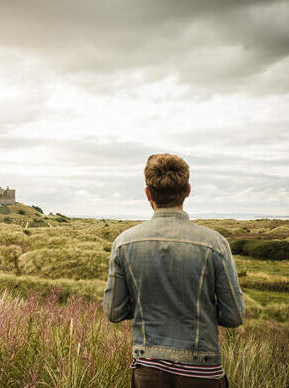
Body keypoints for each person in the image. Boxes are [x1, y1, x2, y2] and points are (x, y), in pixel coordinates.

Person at [103, 153, 245, 388]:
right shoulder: (214, 243)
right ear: (188, 190)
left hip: (148, 369)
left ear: (148, 193)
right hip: (203, 369)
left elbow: (114, 312)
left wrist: (147, 306)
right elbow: (234, 316)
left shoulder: (124, 243)